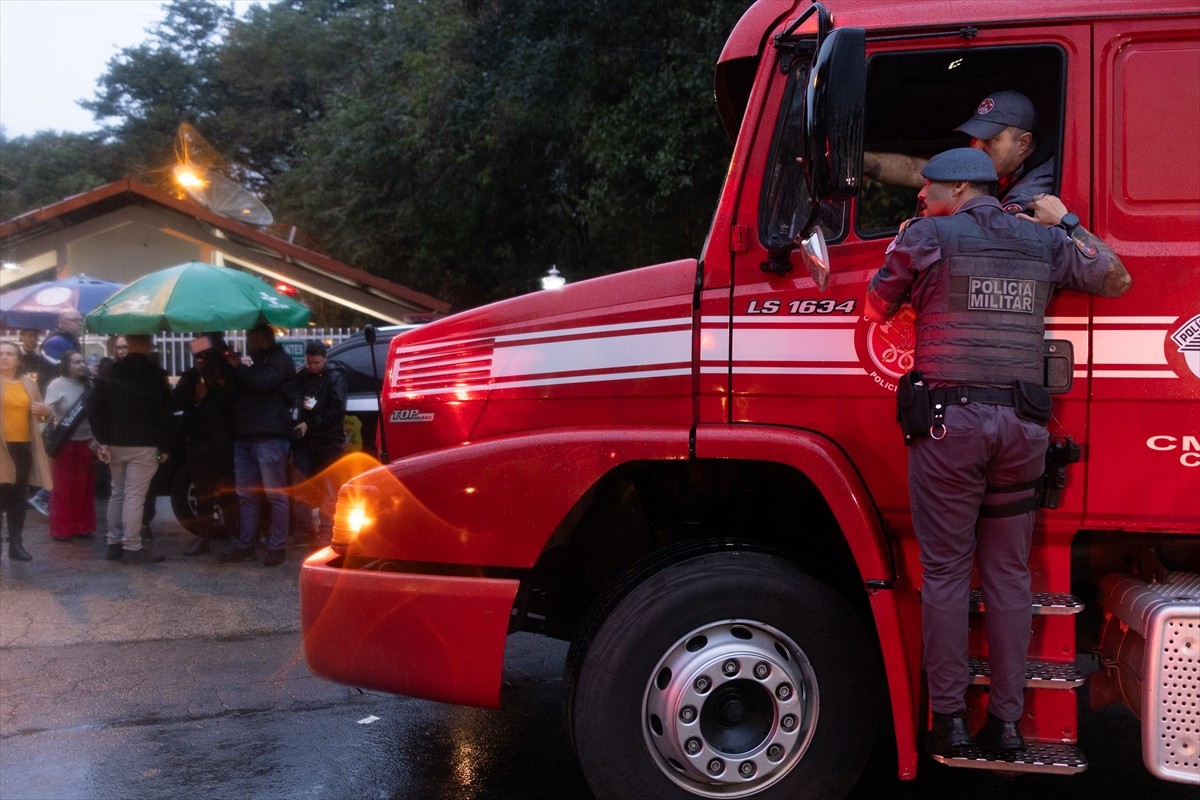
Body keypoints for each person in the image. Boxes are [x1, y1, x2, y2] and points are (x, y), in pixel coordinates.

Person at [863, 148, 1130, 757]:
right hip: (1022, 429)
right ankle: (1008, 728)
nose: (921, 195)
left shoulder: (926, 236)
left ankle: (951, 722)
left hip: (950, 430)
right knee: (1009, 574)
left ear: (959, 188)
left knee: (946, 572)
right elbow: (1115, 277)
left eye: (930, 187)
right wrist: (1067, 221)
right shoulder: (1044, 240)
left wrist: (902, 246)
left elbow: (876, 306)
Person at [863, 90, 1053, 215]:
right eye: (974, 137)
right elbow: (914, 170)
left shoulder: (1032, 191)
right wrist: (859, 160)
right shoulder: (999, 168)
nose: (975, 147)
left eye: (989, 139)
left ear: (1023, 143)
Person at [88, 334, 173, 565]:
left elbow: (94, 408)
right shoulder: (155, 374)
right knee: (135, 495)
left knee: (117, 493)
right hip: (145, 443)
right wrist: (165, 446)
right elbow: (164, 412)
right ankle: (132, 546)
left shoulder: (110, 371)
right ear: (147, 345)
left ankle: (114, 543)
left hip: (115, 442)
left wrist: (103, 440)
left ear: (130, 344)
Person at [219, 324, 296, 567]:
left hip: (269, 436)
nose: (248, 343)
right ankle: (246, 544)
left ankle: (276, 546)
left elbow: (262, 383)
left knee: (276, 495)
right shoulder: (256, 364)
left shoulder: (280, 361)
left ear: (263, 338)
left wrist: (238, 366)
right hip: (246, 436)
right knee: (246, 495)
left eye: (251, 338)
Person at [172, 333, 240, 556]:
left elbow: (235, 401)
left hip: (224, 443)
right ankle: (204, 538)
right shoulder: (192, 377)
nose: (202, 361)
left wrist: (218, 385)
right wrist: (194, 396)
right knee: (203, 493)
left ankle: (235, 537)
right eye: (199, 356)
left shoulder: (228, 374)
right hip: (198, 443)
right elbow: (176, 401)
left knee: (228, 492)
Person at [290, 341, 347, 546]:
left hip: (327, 440)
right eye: (309, 362)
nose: (312, 366)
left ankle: (326, 532)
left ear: (325, 359)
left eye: (316, 363)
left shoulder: (335, 377)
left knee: (328, 488)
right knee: (302, 486)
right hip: (306, 440)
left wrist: (310, 424)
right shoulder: (303, 376)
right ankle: (304, 530)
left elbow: (336, 411)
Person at [0, 340, 53, 561]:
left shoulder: (28, 383)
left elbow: (43, 415)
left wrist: (45, 411)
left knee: (18, 497)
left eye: (9, 354)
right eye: (1, 353)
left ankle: (16, 544)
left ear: (17, 359)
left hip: (23, 447)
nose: (4, 357)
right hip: (1, 447)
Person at [43, 350, 96, 542]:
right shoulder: (55, 385)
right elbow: (46, 413)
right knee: (63, 487)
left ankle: (83, 527)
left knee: (84, 486)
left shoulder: (89, 385)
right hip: (64, 442)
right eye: (76, 362)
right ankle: (62, 530)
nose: (82, 365)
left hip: (87, 441)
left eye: (82, 361)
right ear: (66, 365)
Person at [38, 308, 85, 392]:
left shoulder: (70, 340)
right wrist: (86, 370)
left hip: (67, 389)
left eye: (81, 320)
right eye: (75, 320)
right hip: (55, 392)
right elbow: (60, 368)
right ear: (63, 323)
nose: (80, 323)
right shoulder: (54, 342)